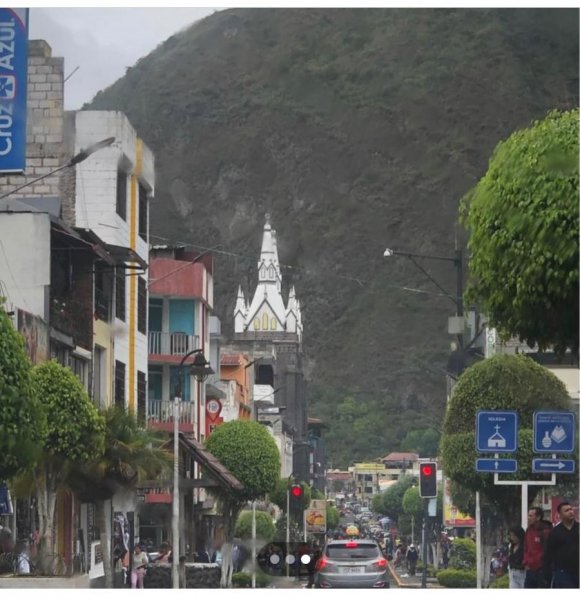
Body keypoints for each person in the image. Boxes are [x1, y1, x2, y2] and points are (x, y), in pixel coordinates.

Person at [544, 501, 579, 588]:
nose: (570, 512)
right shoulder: (555, 532)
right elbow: (549, 553)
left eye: (571, 509)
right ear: (560, 515)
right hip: (563, 571)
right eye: (566, 510)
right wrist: (547, 572)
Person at [523, 506, 552, 588]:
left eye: (531, 516)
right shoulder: (529, 530)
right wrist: (526, 562)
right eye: (528, 515)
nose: (528, 518)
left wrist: (540, 563)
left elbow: (547, 551)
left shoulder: (546, 531)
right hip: (530, 569)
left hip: (542, 570)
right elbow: (526, 547)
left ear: (538, 517)